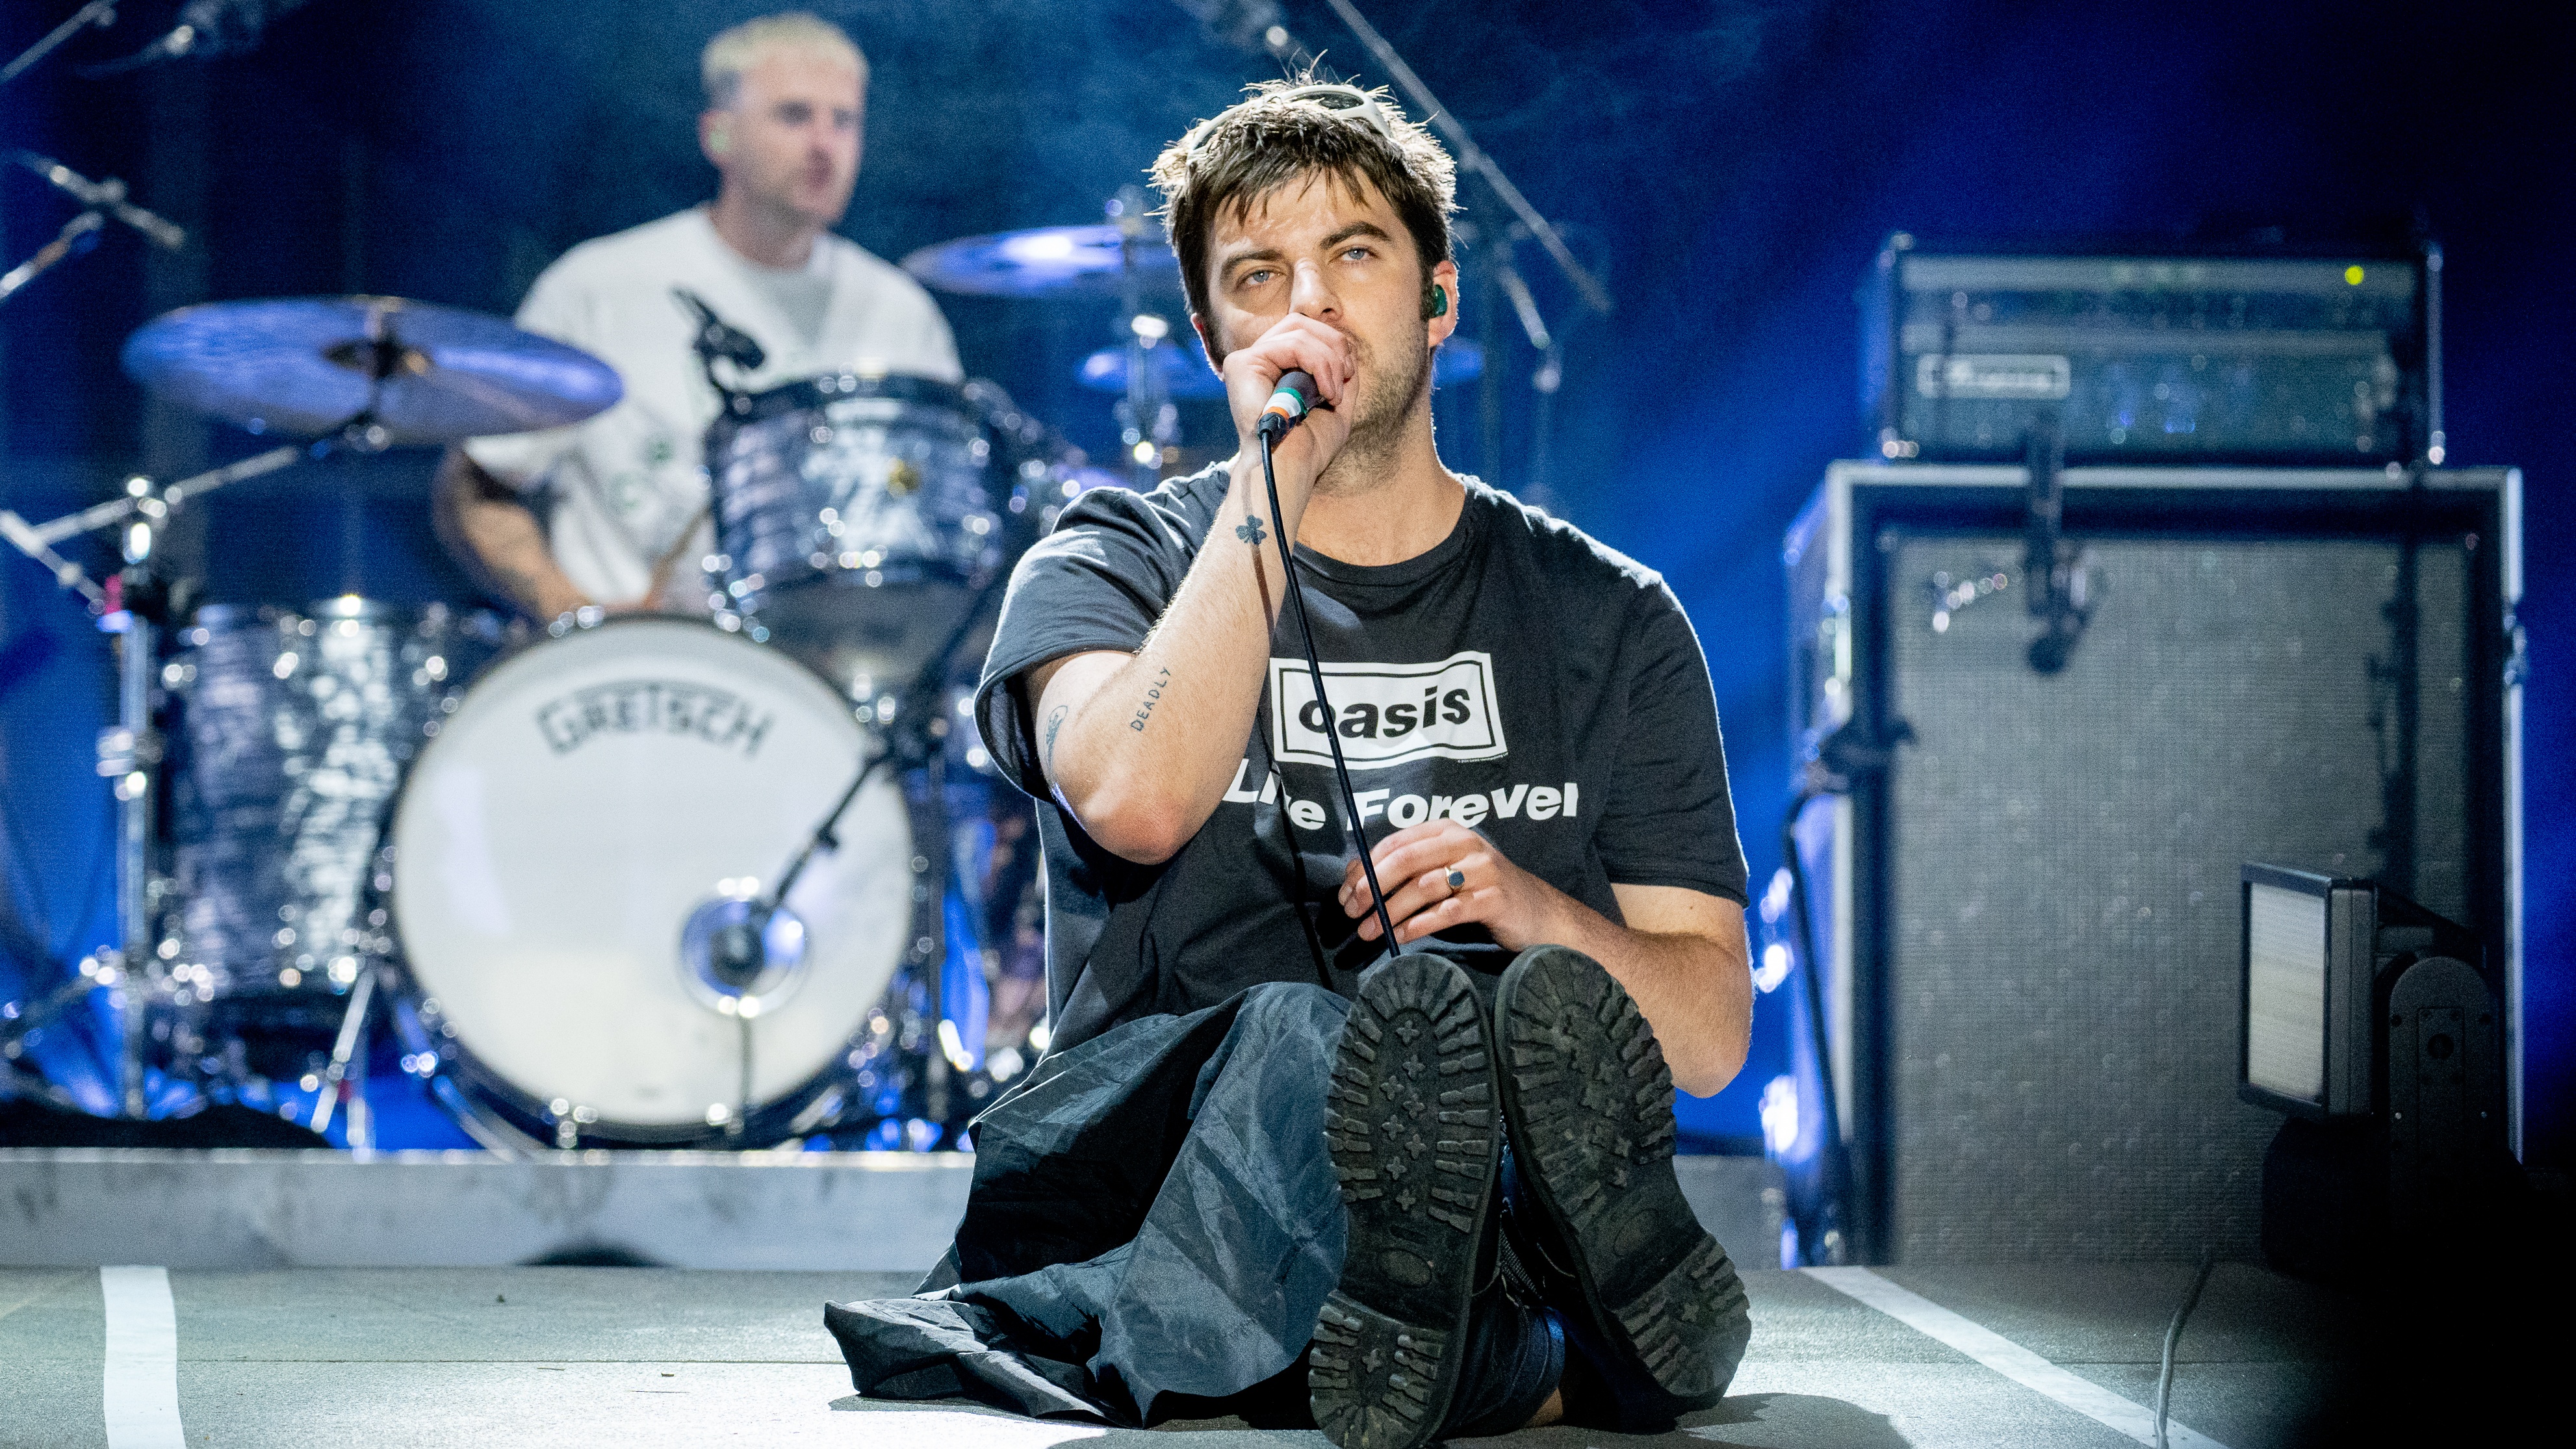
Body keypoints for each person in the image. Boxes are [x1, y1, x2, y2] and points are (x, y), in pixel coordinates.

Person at [827, 79, 1755, 1447]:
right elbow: (1137, 804)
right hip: (1154, 1167)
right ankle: (1542, 1359)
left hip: (1469, 1176)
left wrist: (1531, 908)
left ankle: (1480, 1317)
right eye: (1258, 277)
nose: (1308, 306)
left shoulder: (1608, 614)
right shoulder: (1102, 565)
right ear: (1213, 336)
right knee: (1296, 1040)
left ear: (1438, 302)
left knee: (1481, 1040)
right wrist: (1274, 477)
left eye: (1355, 257)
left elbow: (1708, 1035)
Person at [433, 11, 959, 621]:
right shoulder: (599, 287)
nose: (824, 145)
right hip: (635, 678)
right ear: (718, 137)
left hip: (838, 682)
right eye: (793, 115)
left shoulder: (902, 313)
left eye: (844, 121)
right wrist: (575, 618)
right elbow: (472, 490)